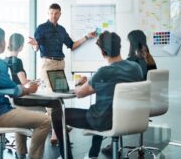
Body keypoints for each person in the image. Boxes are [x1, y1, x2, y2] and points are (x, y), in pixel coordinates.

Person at [51, 31, 143, 159]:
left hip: (105, 121)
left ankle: (67, 156)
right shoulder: (135, 67)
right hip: (130, 118)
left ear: (102, 52)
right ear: (119, 47)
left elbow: (80, 93)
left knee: (56, 114)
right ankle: (92, 154)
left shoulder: (104, 72)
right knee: (100, 107)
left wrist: (79, 84)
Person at [0, 27, 51, 159]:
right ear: (1, 43)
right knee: (45, 121)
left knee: (21, 112)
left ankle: (21, 154)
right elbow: (15, 92)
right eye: (4, 39)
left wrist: (20, 87)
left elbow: (1, 88)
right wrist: (29, 89)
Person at [4, 33, 62, 146]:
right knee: (56, 103)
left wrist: (32, 80)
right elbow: (24, 82)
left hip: (12, 100)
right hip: (22, 99)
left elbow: (17, 80)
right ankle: (57, 131)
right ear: (21, 47)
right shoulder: (17, 61)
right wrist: (34, 83)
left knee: (51, 105)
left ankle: (57, 127)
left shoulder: (5, 60)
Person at [28, 3, 97, 89]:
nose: (54, 16)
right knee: (51, 92)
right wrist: (35, 44)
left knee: (61, 91)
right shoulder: (41, 28)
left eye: (56, 13)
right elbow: (36, 48)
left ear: (60, 14)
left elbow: (72, 45)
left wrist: (87, 37)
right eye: (51, 13)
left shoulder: (61, 29)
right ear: (48, 13)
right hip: (48, 64)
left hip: (60, 64)